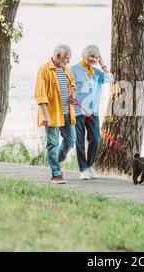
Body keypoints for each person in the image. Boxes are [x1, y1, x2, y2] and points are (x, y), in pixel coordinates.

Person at [35, 44, 76, 184]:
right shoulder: (44, 70)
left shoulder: (66, 70)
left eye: (69, 59)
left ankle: (55, 161)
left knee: (71, 140)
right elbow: (40, 95)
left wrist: (72, 97)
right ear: (58, 56)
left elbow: (71, 86)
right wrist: (45, 115)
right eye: (66, 58)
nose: (68, 61)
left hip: (67, 112)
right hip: (52, 113)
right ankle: (56, 173)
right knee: (53, 142)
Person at [71, 45, 114, 180]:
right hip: (78, 110)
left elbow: (109, 78)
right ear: (84, 55)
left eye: (96, 57)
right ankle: (83, 169)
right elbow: (67, 86)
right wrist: (69, 98)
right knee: (80, 141)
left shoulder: (96, 72)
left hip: (93, 111)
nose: (93, 59)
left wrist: (102, 64)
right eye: (91, 56)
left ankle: (90, 166)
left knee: (95, 139)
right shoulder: (74, 70)